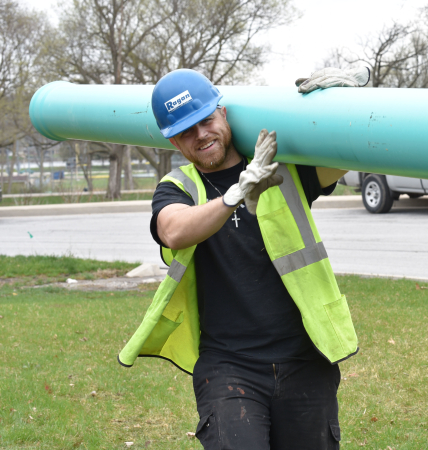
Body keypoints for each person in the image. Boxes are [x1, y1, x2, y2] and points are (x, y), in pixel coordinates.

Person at [118, 67, 370, 449]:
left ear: (223, 112)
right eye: (186, 131)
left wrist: (343, 101)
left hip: (305, 357)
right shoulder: (178, 188)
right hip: (228, 366)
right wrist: (236, 193)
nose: (201, 135)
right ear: (174, 142)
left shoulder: (280, 166)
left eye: (205, 121)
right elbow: (173, 230)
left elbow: (353, 147)